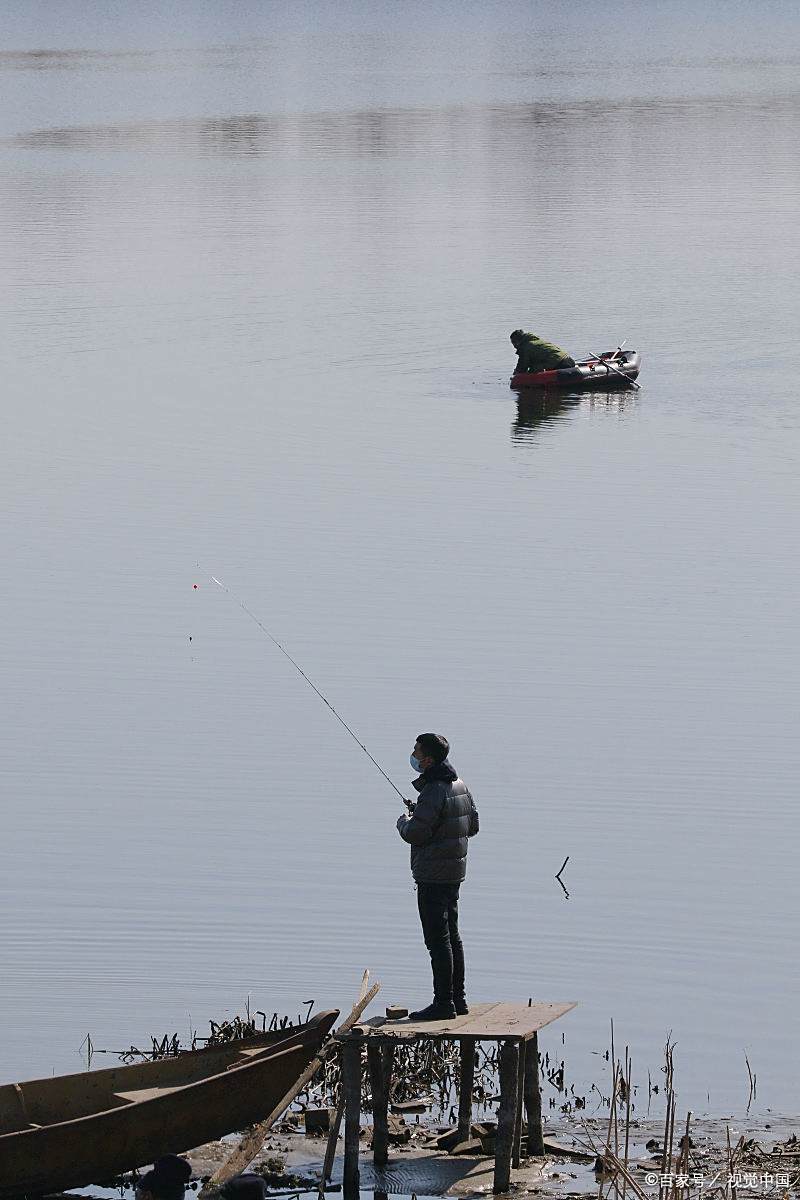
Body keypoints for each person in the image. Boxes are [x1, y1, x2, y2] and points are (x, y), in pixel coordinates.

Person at [396, 733, 479, 1021]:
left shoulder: (433, 790)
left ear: (428, 759)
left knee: (436, 940)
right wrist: (424, 814)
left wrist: (404, 822)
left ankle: (443, 1003)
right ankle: (459, 999)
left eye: (416, 751)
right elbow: (473, 825)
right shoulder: (460, 785)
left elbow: (416, 833)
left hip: (432, 874)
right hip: (454, 873)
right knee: (452, 936)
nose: (413, 754)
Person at [510, 329, 576, 373]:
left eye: (513, 343)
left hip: (560, 364)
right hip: (569, 360)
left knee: (533, 369)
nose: (514, 346)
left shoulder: (525, 348)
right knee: (535, 367)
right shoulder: (535, 340)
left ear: (517, 342)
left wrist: (517, 372)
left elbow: (522, 365)